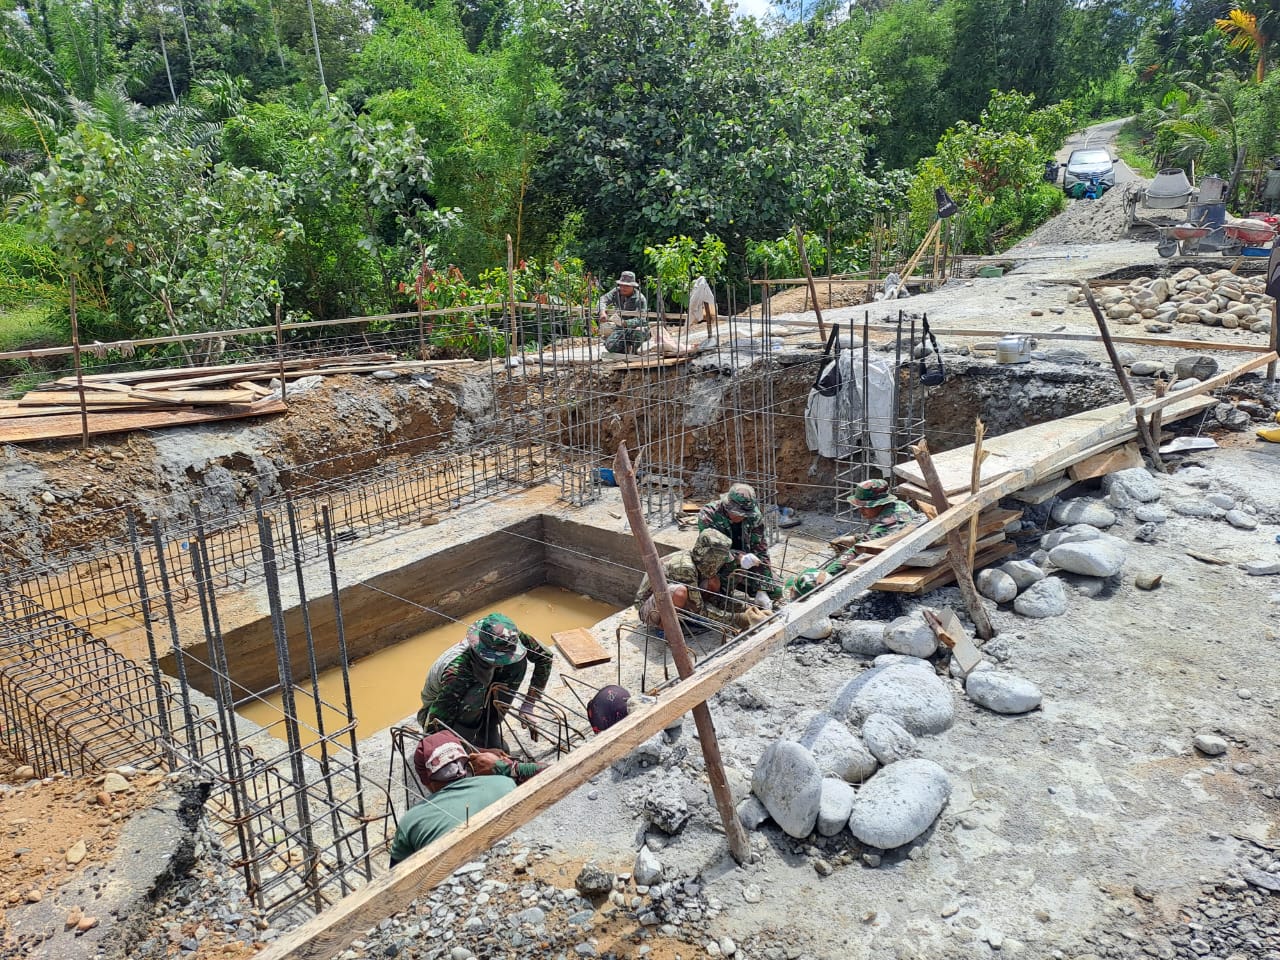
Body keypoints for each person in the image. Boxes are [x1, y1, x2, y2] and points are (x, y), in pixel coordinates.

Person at [389, 731, 546, 867]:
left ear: (425, 780)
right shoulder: (505, 783)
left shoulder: (410, 821)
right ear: (467, 763)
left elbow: (395, 876)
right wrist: (506, 767)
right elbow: (549, 772)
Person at [416, 613, 553, 750]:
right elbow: (435, 723)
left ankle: (489, 725)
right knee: (476, 690)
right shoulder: (457, 672)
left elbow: (544, 656)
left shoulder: (508, 638)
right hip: (444, 713)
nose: (501, 663)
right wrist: (465, 753)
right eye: (498, 659)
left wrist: (529, 704)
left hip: (481, 690)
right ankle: (468, 738)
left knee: (518, 664)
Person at [786, 479, 926, 600]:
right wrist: (854, 538)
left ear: (880, 504)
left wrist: (827, 573)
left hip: (904, 561)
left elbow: (857, 551)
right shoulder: (898, 506)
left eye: (865, 507)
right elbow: (881, 535)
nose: (861, 511)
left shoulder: (888, 521)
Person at [634, 528, 759, 634]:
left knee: (713, 581)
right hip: (650, 611)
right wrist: (736, 618)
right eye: (720, 560)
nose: (721, 563)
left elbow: (717, 598)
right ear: (710, 557)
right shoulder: (685, 568)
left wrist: (743, 607)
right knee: (679, 592)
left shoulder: (698, 561)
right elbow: (698, 608)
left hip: (667, 601)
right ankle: (666, 630)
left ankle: (688, 619)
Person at [697, 483, 781, 605]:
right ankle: (723, 591)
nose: (741, 517)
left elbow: (760, 550)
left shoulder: (754, 516)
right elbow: (711, 549)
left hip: (746, 564)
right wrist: (738, 557)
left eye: (745, 514)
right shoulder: (709, 515)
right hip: (718, 565)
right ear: (727, 505)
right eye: (738, 513)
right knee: (718, 600)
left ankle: (744, 585)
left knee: (775, 591)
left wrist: (761, 589)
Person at [598, 270, 651, 354]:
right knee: (610, 346)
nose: (623, 288)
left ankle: (636, 353)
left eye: (627, 286)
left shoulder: (640, 299)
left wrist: (625, 323)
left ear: (633, 286)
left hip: (636, 328)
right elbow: (603, 299)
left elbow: (641, 319)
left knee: (638, 334)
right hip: (621, 328)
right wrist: (602, 312)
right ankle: (624, 351)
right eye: (621, 285)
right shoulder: (616, 292)